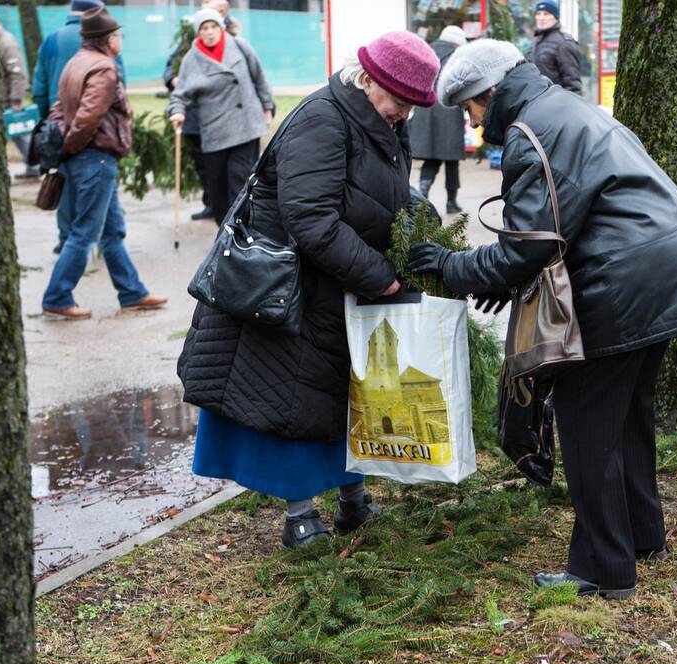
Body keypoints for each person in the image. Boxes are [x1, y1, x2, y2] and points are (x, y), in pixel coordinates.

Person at [413, 40, 677, 599]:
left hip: (625, 284)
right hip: (669, 270)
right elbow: (563, 225)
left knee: (586, 423)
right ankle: (641, 534)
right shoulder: (564, 108)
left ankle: (603, 569)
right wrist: (502, 281)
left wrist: (454, 267)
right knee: (627, 416)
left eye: (470, 110)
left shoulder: (532, 133)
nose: (475, 126)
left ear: (488, 95)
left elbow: (531, 246)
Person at [178, 31, 441, 548]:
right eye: (400, 103)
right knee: (292, 401)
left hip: (337, 282)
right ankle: (300, 515)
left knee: (350, 396)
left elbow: (383, 190)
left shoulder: (384, 120)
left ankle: (353, 498)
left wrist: (422, 220)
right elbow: (311, 219)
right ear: (369, 81)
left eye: (414, 107)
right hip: (291, 290)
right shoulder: (322, 119)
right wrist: (379, 275)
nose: (405, 115)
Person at [41, 8, 167, 320]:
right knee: (84, 232)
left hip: (85, 158)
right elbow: (88, 116)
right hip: (95, 159)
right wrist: (72, 144)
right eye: (119, 35)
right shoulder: (104, 68)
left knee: (112, 231)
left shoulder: (76, 63)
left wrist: (66, 147)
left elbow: (58, 108)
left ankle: (132, 293)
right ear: (108, 39)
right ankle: (57, 295)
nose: (121, 40)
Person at [32, 0, 126, 254]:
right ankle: (107, 244)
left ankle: (66, 240)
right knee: (101, 189)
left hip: (61, 126)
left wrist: (52, 126)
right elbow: (120, 83)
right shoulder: (105, 42)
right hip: (95, 132)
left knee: (66, 188)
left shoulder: (52, 40)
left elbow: (39, 88)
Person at [167, 9, 274, 226]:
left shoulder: (239, 45)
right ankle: (223, 234)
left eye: (214, 27)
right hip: (214, 130)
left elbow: (259, 77)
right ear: (199, 32)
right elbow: (180, 94)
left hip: (246, 125)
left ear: (221, 27)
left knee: (239, 182)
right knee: (217, 190)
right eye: (205, 28)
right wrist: (177, 110)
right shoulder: (192, 59)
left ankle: (241, 234)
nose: (210, 32)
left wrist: (267, 106)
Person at [409, 26, 467, 215]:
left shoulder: (425, 51)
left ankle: (422, 195)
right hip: (449, 110)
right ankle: (451, 202)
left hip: (425, 109)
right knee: (451, 160)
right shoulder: (457, 56)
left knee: (432, 158)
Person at [0, 14, 38, 179]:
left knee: (19, 133)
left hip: (8, 99)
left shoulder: (7, 43)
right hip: (3, 98)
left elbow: (17, 74)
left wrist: (16, 100)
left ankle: (35, 166)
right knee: (18, 135)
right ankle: (34, 166)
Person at [526, 0, 582, 95]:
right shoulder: (536, 41)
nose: (541, 18)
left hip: (556, 104)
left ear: (555, 17)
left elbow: (573, 85)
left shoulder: (564, 43)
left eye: (546, 14)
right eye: (538, 14)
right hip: (536, 102)